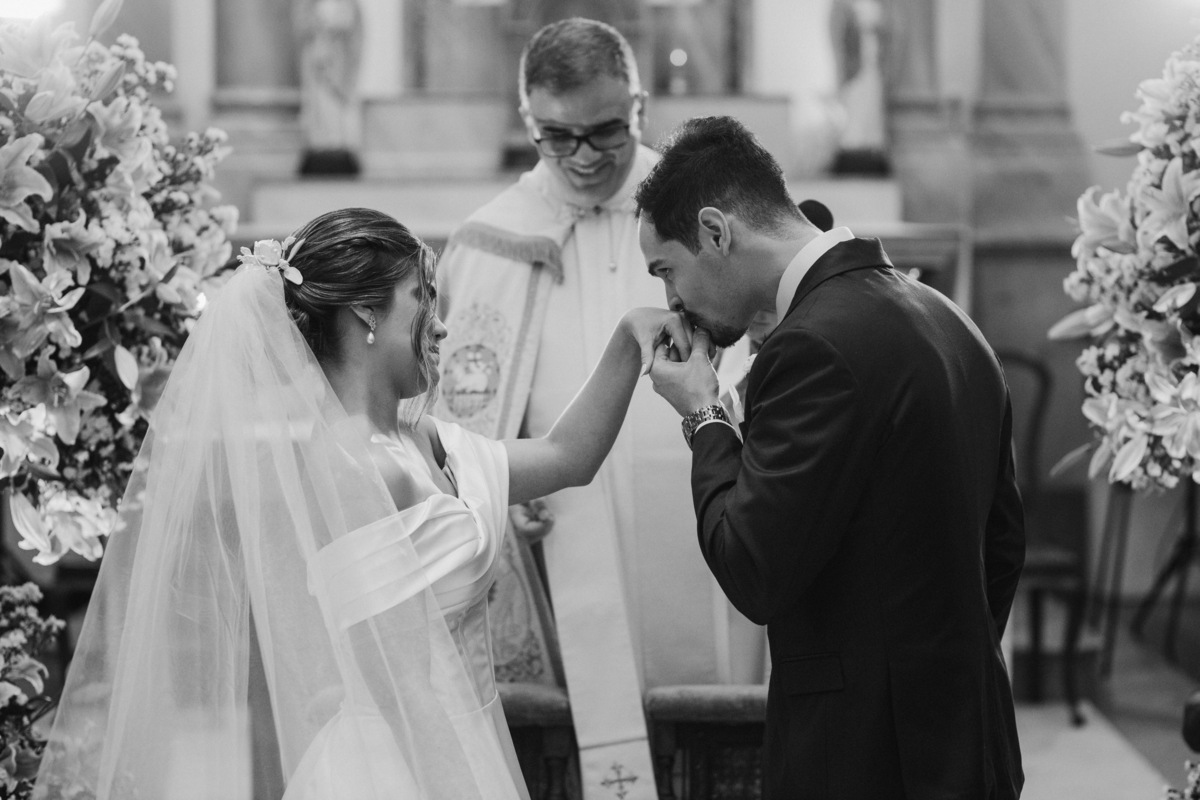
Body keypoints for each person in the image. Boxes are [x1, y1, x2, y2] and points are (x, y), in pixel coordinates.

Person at [32, 208, 689, 800]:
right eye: (422, 297)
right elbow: (404, 688)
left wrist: (631, 336)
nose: (443, 321)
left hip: (462, 742)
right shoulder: (354, 467)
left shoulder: (423, 440)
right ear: (368, 314)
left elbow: (565, 458)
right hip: (402, 769)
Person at [637, 117, 1025, 799]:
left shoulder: (813, 346)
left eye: (667, 269)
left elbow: (753, 569)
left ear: (716, 231)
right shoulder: (948, 317)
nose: (672, 301)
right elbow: (1001, 546)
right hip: (968, 735)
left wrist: (703, 415)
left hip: (866, 756)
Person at [434, 17, 733, 793]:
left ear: (638, 103)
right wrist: (503, 494)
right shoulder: (490, 242)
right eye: (556, 137)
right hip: (558, 539)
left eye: (606, 130)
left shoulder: (707, 216)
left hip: (700, 519)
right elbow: (455, 422)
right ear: (528, 118)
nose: (586, 156)